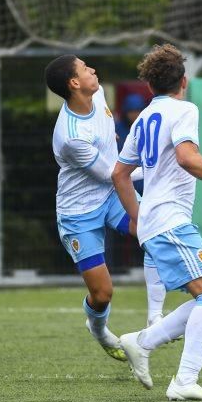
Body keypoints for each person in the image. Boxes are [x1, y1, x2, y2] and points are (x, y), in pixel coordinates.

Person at [113, 44, 202, 401]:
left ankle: (143, 342)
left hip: (159, 223)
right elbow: (188, 158)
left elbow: (120, 175)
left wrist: (138, 218)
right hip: (170, 222)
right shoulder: (184, 109)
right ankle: (183, 381)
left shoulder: (142, 118)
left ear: (150, 86)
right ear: (183, 81)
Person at [45, 55, 165, 361]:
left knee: (152, 232)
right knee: (102, 294)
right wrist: (157, 166)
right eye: (85, 69)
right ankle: (98, 330)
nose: (93, 70)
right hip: (79, 213)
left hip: (110, 196)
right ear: (74, 83)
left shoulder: (97, 94)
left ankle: (156, 318)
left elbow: (108, 149)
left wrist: (109, 142)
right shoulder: (71, 136)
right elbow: (115, 173)